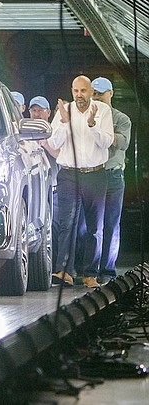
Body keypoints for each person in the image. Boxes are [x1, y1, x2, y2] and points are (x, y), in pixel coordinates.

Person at [47, 75, 114, 288]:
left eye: (83, 91)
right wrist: (65, 123)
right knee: (67, 223)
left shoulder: (103, 111)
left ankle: (90, 274)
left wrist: (93, 124)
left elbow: (106, 142)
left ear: (91, 92)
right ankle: (63, 271)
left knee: (95, 227)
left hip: (95, 174)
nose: (79, 95)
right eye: (75, 91)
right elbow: (53, 142)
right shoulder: (64, 111)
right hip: (69, 174)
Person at [91, 77, 132, 283]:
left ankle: (107, 271)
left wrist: (103, 132)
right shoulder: (85, 117)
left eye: (101, 93)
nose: (97, 97)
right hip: (91, 174)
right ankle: (89, 270)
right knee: (90, 226)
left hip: (113, 175)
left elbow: (122, 143)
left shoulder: (122, 119)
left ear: (111, 93)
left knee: (111, 224)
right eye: (95, 94)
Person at [30, 96, 61, 263]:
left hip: (54, 188)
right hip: (34, 189)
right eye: (33, 110)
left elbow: (61, 155)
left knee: (55, 227)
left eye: (40, 110)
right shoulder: (24, 132)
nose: (36, 114)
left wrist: (46, 144)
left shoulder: (55, 130)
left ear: (48, 112)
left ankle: (57, 265)